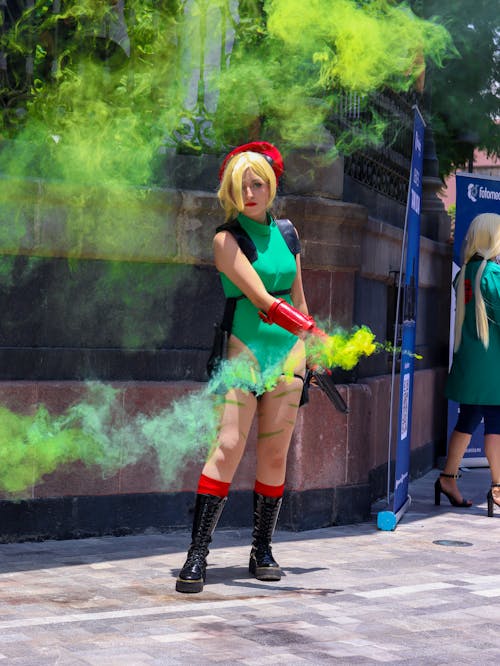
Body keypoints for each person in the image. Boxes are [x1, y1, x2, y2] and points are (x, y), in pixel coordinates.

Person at [175, 141, 323, 593]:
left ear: (271, 184)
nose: (251, 192)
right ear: (230, 191)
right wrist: (313, 330)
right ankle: (197, 553)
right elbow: (262, 299)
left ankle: (263, 549)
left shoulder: (289, 233)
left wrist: (309, 349)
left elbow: (298, 297)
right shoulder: (226, 238)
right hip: (245, 351)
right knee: (229, 445)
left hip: (287, 358)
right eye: (241, 185)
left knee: (275, 453)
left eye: (258, 183)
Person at [436, 212, 500, 517]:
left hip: (470, 366)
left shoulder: (464, 274)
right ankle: (499, 486)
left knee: (468, 420)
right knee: (496, 426)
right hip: (493, 369)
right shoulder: (493, 276)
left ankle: (448, 478)